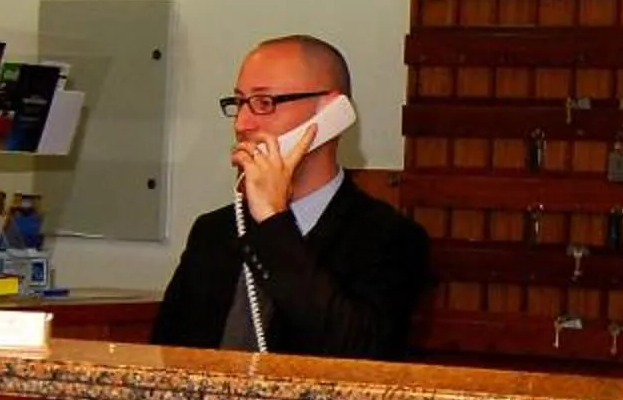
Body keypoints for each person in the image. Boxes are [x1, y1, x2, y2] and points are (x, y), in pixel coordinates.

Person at [149, 34, 430, 357]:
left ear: (331, 113)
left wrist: (274, 222)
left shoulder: (388, 238)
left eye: (264, 103)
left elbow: (357, 351)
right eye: (239, 102)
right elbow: (164, 357)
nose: (242, 123)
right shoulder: (212, 233)